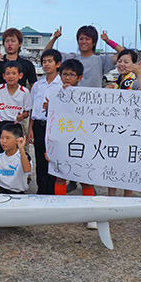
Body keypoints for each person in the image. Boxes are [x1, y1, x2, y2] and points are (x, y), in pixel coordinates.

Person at [44, 59, 95, 203]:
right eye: (65, 74)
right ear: (60, 76)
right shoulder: (55, 94)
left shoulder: (86, 96)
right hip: (62, 141)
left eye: (72, 75)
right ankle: (60, 207)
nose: (67, 77)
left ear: (79, 78)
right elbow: (51, 123)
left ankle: (90, 210)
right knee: (60, 176)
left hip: (81, 142)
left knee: (85, 178)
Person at [104, 48, 141, 198]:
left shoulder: (135, 80)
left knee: (128, 164)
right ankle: (112, 196)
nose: (121, 64)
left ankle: (126, 198)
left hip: (130, 131)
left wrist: (140, 74)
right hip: (116, 131)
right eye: (119, 61)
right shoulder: (117, 81)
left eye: (126, 62)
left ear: (134, 64)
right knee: (114, 163)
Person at [28, 49, 62, 195]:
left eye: (50, 61)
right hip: (39, 126)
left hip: (54, 127)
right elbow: (32, 109)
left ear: (58, 64)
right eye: (44, 62)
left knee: (53, 159)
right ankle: (41, 191)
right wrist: (30, 128)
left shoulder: (63, 85)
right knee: (40, 160)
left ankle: (52, 192)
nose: (46, 64)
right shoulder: (37, 86)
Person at [0, 60, 32, 155]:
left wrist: (21, 116)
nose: (11, 76)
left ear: (20, 75)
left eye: (14, 73)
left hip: (16, 126)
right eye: (8, 73)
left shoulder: (24, 92)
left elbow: (27, 112)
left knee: (15, 155)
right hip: (0, 126)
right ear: (4, 76)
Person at [0, 123, 32, 194]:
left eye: (7, 138)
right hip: (0, 190)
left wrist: (21, 149)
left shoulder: (24, 156)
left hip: (17, 192)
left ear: (17, 141)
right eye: (1, 137)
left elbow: (27, 169)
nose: (3, 141)